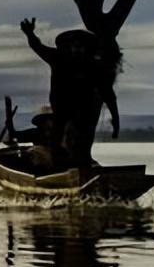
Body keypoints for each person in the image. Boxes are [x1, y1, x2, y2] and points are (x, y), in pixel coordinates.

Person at [19, 19, 119, 168]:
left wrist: (115, 119)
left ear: (86, 48)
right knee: (57, 144)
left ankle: (82, 169)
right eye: (74, 45)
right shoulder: (58, 58)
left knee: (83, 144)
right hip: (62, 110)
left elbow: (108, 94)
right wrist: (30, 33)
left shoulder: (94, 67)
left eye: (81, 45)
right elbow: (38, 47)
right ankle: (60, 173)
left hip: (85, 111)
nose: (78, 48)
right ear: (69, 46)